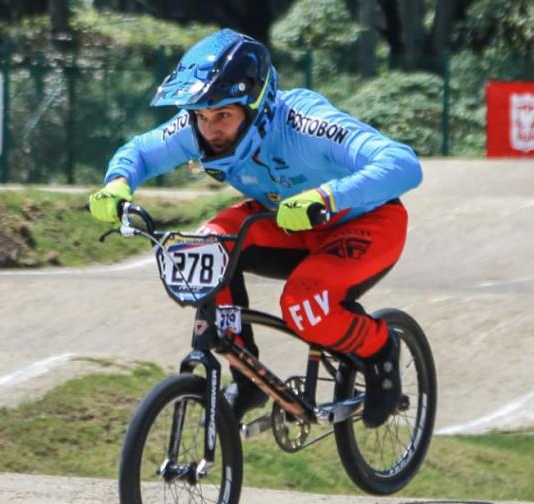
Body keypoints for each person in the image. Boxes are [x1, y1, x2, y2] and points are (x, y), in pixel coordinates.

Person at [88, 28, 422, 428]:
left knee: (302, 303)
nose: (211, 131)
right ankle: (247, 378)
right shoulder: (201, 126)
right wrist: (117, 183)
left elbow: (403, 163)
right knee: (205, 247)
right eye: (202, 117)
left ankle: (381, 348)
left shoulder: (304, 123)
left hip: (367, 224)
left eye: (224, 116)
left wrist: (328, 197)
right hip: (284, 223)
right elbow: (140, 151)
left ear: (257, 107)